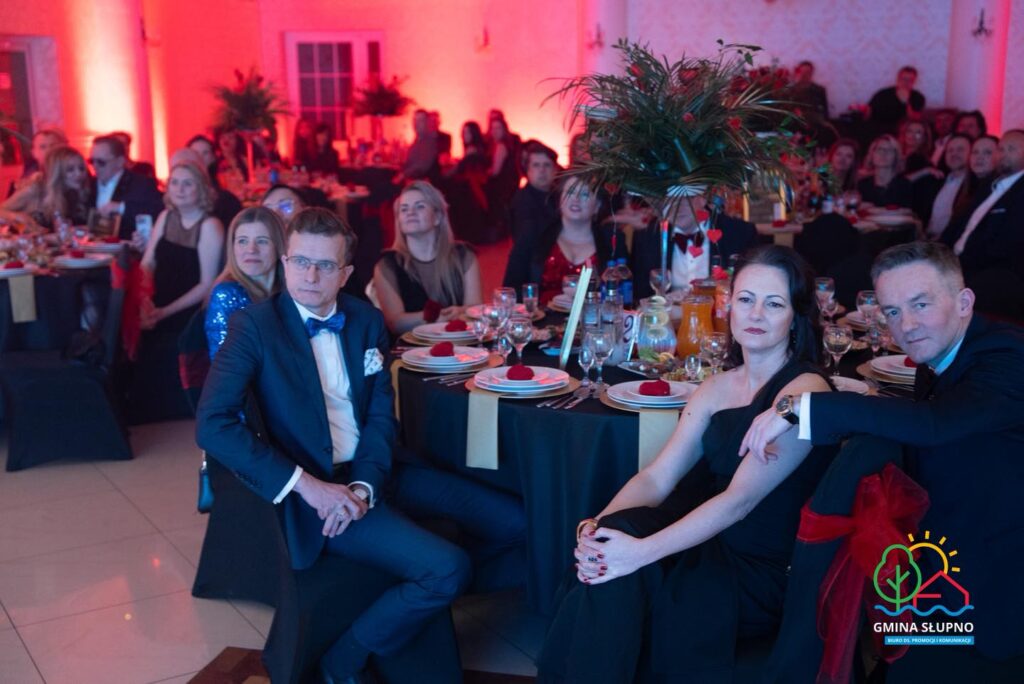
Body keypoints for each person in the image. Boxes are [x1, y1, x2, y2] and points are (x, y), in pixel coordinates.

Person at [196, 208, 472, 683]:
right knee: (448, 569)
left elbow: (381, 416)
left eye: (325, 265)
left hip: (374, 471)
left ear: (345, 274)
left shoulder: (365, 319)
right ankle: (343, 660)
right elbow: (212, 424)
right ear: (285, 263)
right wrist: (310, 487)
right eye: (301, 262)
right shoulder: (254, 326)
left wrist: (365, 486)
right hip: (314, 496)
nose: (310, 276)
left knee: (513, 521)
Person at [538, 245, 837, 682]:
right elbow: (657, 478)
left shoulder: (803, 389)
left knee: (623, 569)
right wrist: (593, 529)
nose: (756, 314)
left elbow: (738, 502)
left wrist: (639, 553)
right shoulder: (716, 387)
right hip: (704, 541)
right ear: (727, 305)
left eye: (774, 304)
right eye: (746, 299)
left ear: (795, 316)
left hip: (754, 568)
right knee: (610, 544)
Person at [739, 241, 1024, 680]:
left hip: (992, 590)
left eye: (921, 304)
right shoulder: (941, 355)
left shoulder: (1007, 356)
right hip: (936, 571)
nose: (906, 325)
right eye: (892, 311)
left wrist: (803, 406)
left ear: (964, 302)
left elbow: (936, 424)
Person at [128, 159, 224, 423]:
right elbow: (148, 263)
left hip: (189, 308)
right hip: (158, 301)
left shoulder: (210, 226)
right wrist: (144, 300)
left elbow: (206, 284)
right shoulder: (165, 217)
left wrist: (163, 313)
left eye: (188, 184)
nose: (180, 189)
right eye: (175, 183)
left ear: (201, 189)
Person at [373, 181, 482, 335]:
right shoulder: (387, 265)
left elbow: (476, 310)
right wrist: (434, 316)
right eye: (404, 209)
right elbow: (395, 323)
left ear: (437, 217)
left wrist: (461, 311)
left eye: (420, 206)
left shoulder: (464, 256)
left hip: (461, 341)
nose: (410, 212)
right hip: (410, 346)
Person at [503, 177, 625, 304]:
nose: (575, 199)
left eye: (584, 194)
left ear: (597, 206)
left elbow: (625, 291)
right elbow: (510, 290)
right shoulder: (533, 234)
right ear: (560, 199)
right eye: (570, 192)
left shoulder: (613, 240)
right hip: (540, 315)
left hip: (593, 315)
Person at [949, 129, 1024, 319]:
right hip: (958, 262)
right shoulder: (990, 185)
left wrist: (960, 264)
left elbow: (1008, 244)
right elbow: (960, 225)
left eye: (1011, 149)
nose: (1003, 154)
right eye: (1001, 149)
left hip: (991, 272)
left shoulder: (1020, 192)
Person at [630, 196, 758, 301]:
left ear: (702, 199)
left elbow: (752, 287)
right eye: (669, 201)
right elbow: (640, 294)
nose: (677, 208)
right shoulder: (647, 237)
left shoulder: (740, 233)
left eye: (684, 199)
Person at [205, 206, 287, 355]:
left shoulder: (292, 292)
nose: (251, 250)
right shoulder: (226, 293)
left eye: (262, 241)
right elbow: (225, 363)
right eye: (242, 241)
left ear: (278, 246)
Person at [88, 134, 164, 238]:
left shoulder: (141, 184)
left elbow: (155, 212)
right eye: (91, 161)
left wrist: (121, 207)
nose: (95, 166)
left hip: (127, 245)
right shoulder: (88, 184)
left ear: (120, 162)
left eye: (101, 162)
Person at [1, 145, 90, 229]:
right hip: (27, 239)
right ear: (57, 172)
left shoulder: (81, 193)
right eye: (70, 170)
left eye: (81, 168)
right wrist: (16, 216)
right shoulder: (36, 189)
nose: (79, 174)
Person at [188, 134, 243, 227]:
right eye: (195, 153)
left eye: (205, 153)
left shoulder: (225, 199)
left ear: (213, 157)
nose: (200, 157)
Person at [509, 141, 559, 242]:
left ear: (555, 170)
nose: (542, 170)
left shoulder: (559, 195)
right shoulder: (523, 201)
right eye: (536, 165)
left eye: (547, 165)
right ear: (527, 171)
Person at [924, 135, 971, 239]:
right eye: (950, 150)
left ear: (971, 153)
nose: (954, 154)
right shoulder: (938, 181)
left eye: (960, 150)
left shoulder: (972, 186)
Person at [856, 135, 913, 208]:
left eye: (889, 150)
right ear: (872, 154)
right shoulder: (862, 185)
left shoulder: (904, 185)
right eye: (879, 149)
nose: (883, 153)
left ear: (896, 156)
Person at [868, 66, 926, 136]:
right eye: (904, 79)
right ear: (898, 79)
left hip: (903, 132)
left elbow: (914, 120)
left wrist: (906, 101)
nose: (906, 83)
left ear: (914, 81)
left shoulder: (918, 97)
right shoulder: (883, 94)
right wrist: (862, 110)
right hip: (880, 130)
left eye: (910, 80)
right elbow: (869, 112)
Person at [394, 109, 440, 185]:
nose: (416, 123)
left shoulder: (429, 140)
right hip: (410, 181)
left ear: (427, 123)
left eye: (420, 120)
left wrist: (402, 175)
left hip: (420, 185)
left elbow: (421, 165)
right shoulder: (418, 140)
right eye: (415, 120)